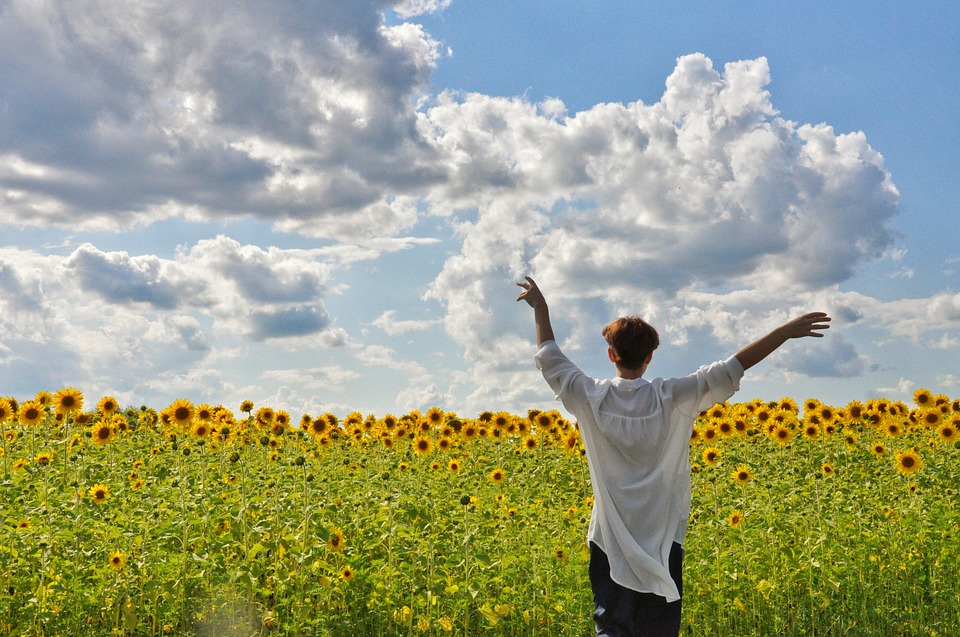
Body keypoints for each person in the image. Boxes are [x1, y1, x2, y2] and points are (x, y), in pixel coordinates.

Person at [516, 276, 830, 637]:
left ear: (610, 354)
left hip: (609, 538)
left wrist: (541, 307)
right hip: (664, 538)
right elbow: (733, 366)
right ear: (650, 358)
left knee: (612, 626)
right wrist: (784, 331)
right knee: (659, 630)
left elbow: (550, 356)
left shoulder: (587, 396)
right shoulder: (672, 397)